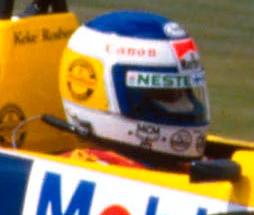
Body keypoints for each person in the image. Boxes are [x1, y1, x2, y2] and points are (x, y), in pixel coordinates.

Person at [56, 13, 210, 167]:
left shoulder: (197, 168)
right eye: (164, 95)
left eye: (184, 93)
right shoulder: (82, 169)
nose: (187, 107)